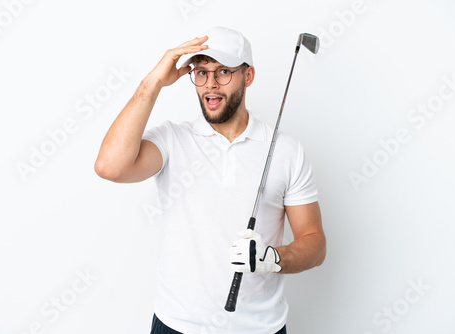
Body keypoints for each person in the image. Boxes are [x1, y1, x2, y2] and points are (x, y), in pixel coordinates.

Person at [95, 26, 326, 334]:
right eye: (201, 73)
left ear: (248, 76)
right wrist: (151, 83)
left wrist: (273, 257)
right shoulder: (172, 139)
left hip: (259, 328)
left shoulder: (286, 151)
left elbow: (315, 243)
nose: (210, 85)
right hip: (176, 325)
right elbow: (110, 167)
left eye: (223, 72)